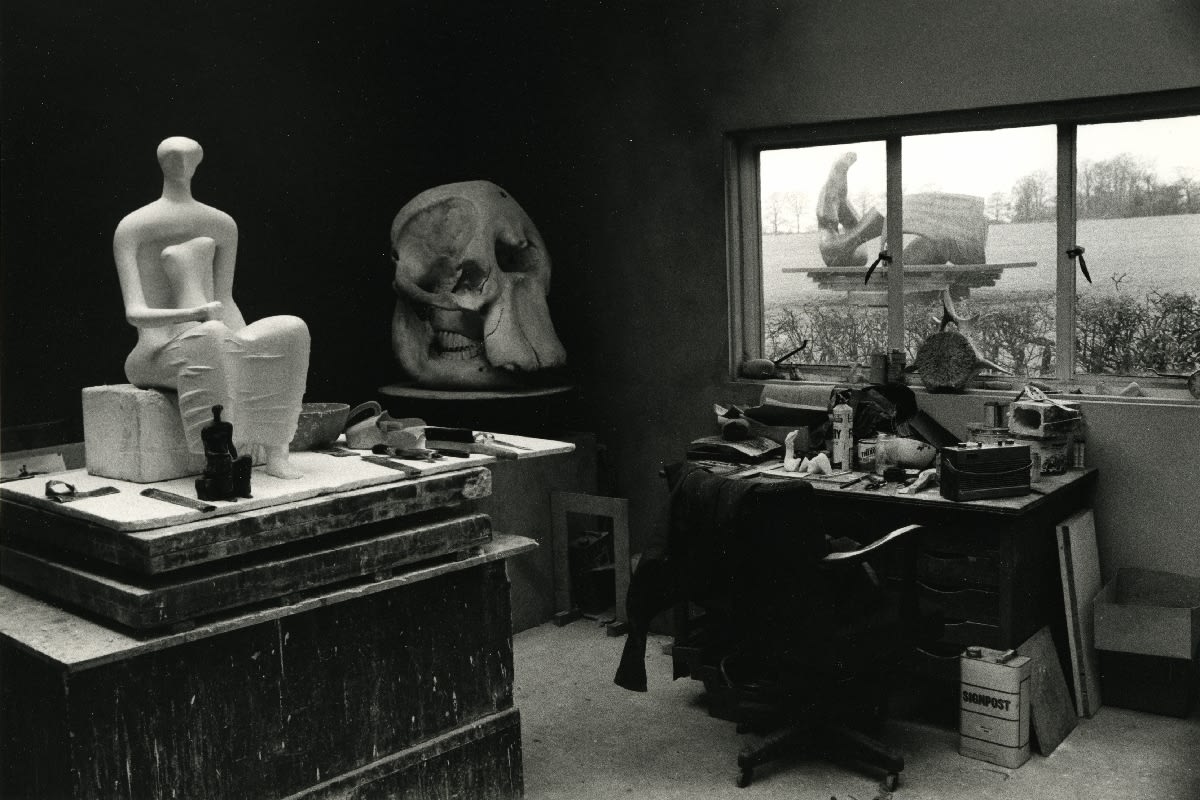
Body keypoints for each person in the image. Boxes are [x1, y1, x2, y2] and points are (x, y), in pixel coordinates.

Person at [113, 137, 310, 479]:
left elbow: (226, 297)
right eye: (174, 157)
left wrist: (247, 345)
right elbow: (134, 313)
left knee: (291, 329)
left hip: (210, 330)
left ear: (199, 162)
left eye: (189, 157)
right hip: (154, 351)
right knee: (212, 335)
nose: (182, 163)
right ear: (162, 162)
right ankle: (217, 455)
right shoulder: (133, 227)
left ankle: (277, 451)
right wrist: (193, 316)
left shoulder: (221, 224)